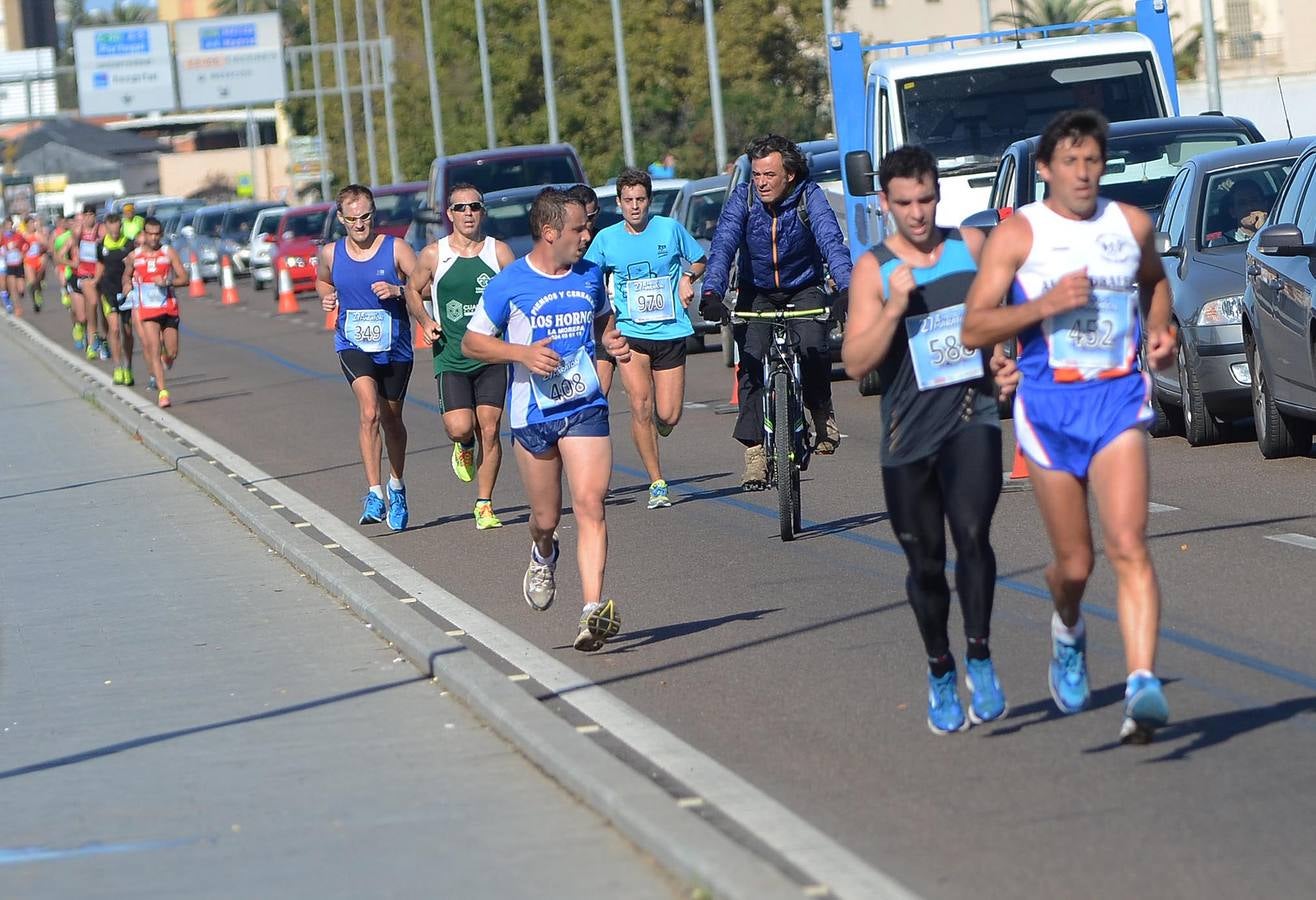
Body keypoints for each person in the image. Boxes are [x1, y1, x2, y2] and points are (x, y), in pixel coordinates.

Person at [961, 109, 1177, 744]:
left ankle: (1142, 684)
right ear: (1045, 169)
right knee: (1075, 564)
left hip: (1116, 401)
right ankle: (1068, 629)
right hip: (1049, 408)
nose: (1083, 174)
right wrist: (1045, 304)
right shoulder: (1020, 236)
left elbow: (1155, 284)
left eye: (1093, 161)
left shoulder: (1130, 225)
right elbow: (974, 326)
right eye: (1071, 163)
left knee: (1129, 545)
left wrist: (1160, 330)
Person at [842, 145, 1021, 734]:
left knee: (972, 535)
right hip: (907, 435)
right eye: (904, 204)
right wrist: (894, 309)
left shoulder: (971, 249)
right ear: (885, 204)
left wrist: (1001, 363)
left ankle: (979, 653)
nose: (917, 214)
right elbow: (855, 359)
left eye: (925, 199)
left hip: (970, 418)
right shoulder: (873, 268)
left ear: (937, 195)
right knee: (924, 565)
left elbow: (997, 325)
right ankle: (940, 667)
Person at [462, 187, 632, 652]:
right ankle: (543, 550)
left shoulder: (591, 276)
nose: (587, 234)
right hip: (533, 414)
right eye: (579, 228)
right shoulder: (509, 283)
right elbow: (472, 344)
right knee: (546, 516)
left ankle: (590, 611)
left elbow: (603, 325)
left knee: (591, 504)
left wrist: (611, 343)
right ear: (551, 232)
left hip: (583, 407)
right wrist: (520, 353)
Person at [700, 134, 852, 490]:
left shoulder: (810, 197)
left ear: (790, 175)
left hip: (803, 286)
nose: (762, 182)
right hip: (757, 291)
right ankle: (755, 455)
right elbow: (723, 244)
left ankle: (820, 411)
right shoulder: (745, 198)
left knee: (814, 343)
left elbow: (831, 241)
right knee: (751, 361)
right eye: (756, 175)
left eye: (769, 175)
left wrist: (847, 288)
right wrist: (712, 292)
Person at [585, 167, 706, 509]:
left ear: (649, 201)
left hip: (669, 331)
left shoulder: (668, 229)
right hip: (631, 333)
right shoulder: (606, 239)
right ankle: (657, 481)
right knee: (640, 405)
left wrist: (686, 278)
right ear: (619, 203)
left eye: (640, 200)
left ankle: (658, 426)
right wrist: (602, 320)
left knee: (668, 415)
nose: (635, 206)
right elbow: (588, 279)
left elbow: (699, 260)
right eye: (628, 201)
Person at [405, 183, 516, 530]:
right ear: (449, 214)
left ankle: (484, 504)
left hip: (491, 356)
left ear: (483, 212)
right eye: (460, 208)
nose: (468, 214)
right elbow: (411, 289)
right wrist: (425, 321)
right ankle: (462, 444)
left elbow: (519, 294)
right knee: (460, 427)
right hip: (451, 356)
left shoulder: (499, 253)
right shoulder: (434, 255)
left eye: (474, 207)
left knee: (491, 428)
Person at [317, 184, 419, 532]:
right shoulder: (331, 253)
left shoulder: (396, 249)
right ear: (341, 219)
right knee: (369, 411)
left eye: (366, 217)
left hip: (396, 347)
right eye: (352, 219)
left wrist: (399, 290)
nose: (360, 225)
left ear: (373, 216)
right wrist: (327, 296)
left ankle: (397, 486)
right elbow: (322, 281)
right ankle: (374, 492)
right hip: (352, 343)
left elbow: (426, 285)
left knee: (392, 421)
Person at [122, 217, 188, 408]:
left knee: (172, 352)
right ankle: (163, 392)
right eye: (149, 234)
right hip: (147, 309)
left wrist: (167, 282)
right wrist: (127, 285)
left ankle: (167, 360)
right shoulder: (135, 256)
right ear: (144, 233)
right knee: (153, 348)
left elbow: (184, 278)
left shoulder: (168, 253)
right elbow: (126, 275)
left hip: (168, 307)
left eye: (156, 234)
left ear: (161, 234)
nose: (153, 238)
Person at [93, 213, 135, 385]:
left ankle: (128, 366)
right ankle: (117, 367)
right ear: (106, 227)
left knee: (127, 331)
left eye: (117, 227)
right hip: (108, 291)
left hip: (125, 292)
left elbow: (134, 265)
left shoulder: (129, 244)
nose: (115, 231)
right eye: (111, 227)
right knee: (115, 329)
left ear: (120, 226)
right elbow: (100, 265)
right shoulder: (101, 245)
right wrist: (94, 281)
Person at [73, 205, 108, 360]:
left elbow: (107, 247)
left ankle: (105, 340)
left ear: (95, 216)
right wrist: (71, 262)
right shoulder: (78, 230)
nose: (89, 218)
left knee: (105, 310)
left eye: (91, 215)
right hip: (85, 274)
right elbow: (71, 247)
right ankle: (92, 339)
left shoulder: (101, 229)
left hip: (101, 274)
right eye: (86, 215)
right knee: (92, 302)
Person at [1206, 177, 1270, 246]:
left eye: (1254, 200)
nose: (1250, 207)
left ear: (1265, 204)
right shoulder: (1221, 242)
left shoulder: (1280, 231)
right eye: (1242, 203)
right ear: (1233, 212)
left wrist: (1264, 230)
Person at [1, 223, 28, 315]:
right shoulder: (3, 238)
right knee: (13, 288)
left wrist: (23, 253)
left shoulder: (18, 236)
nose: (9, 227)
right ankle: (17, 308)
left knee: (21, 289)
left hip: (19, 264)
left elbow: (26, 245)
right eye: (7, 225)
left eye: (10, 225)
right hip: (9, 265)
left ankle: (15, 297)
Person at [22, 216, 47, 313]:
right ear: (27, 225)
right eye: (31, 223)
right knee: (32, 282)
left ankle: (38, 293)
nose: (33, 225)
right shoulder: (23, 236)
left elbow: (46, 245)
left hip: (38, 259)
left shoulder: (37, 235)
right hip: (28, 261)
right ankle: (35, 302)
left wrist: (42, 247)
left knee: (38, 281)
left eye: (34, 223)